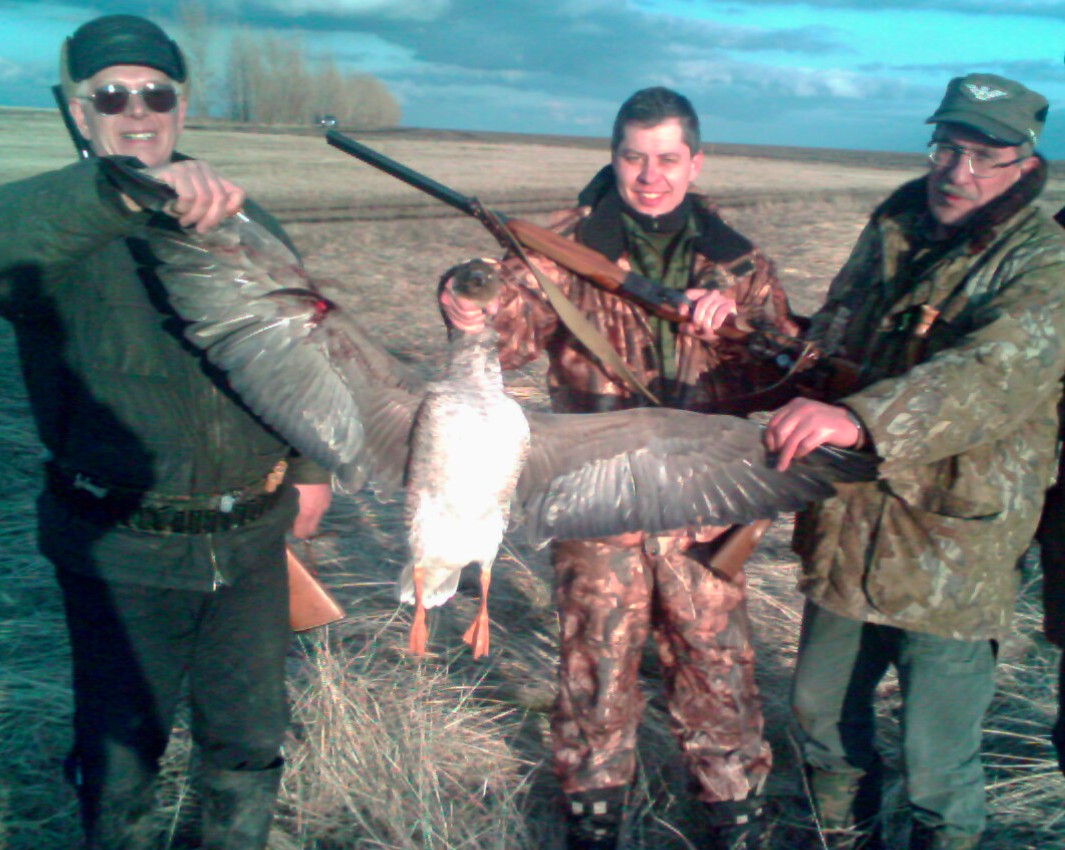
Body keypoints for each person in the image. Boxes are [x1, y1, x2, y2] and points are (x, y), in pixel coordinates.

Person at [0, 14, 332, 850]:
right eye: (111, 95)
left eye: (155, 93)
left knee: (249, 742)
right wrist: (118, 192)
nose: (137, 110)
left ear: (181, 107)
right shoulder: (55, 229)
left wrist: (308, 465)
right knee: (121, 757)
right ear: (79, 113)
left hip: (251, 543)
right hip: (122, 550)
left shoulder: (246, 219)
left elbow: (299, 348)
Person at [439, 86, 799, 850]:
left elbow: (785, 370)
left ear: (695, 163)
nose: (649, 176)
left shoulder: (738, 263)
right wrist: (470, 311)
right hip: (597, 498)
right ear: (613, 156)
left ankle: (732, 818)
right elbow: (504, 340)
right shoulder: (562, 248)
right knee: (594, 673)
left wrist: (734, 327)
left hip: (704, 505)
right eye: (634, 157)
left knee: (717, 673)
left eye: (667, 158)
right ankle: (594, 823)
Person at [763, 74, 1065, 850]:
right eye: (945, 147)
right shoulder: (894, 224)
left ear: (1025, 164)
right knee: (820, 717)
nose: (957, 171)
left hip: (950, 550)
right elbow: (835, 333)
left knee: (935, 761)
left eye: (983, 156)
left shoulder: (1043, 261)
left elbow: (989, 377)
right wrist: (769, 340)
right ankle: (842, 835)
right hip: (847, 524)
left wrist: (857, 418)